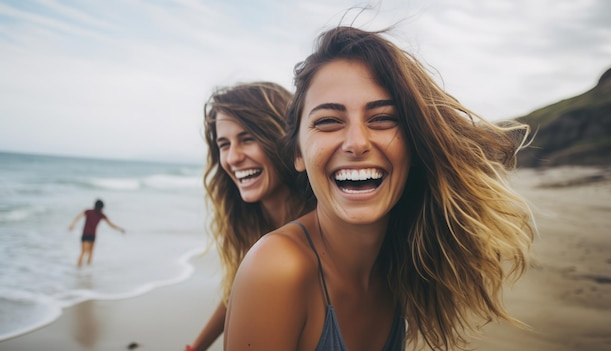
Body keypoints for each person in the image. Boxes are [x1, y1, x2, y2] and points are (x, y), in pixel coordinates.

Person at [223, 26, 536, 350]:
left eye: (383, 118)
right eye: (329, 121)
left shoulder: (401, 260)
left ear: (414, 143)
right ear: (298, 154)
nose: (357, 143)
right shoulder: (276, 268)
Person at [186, 82, 314, 351]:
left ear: (282, 137)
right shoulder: (255, 224)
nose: (233, 158)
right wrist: (195, 348)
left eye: (247, 139)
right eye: (224, 144)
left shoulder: (321, 231)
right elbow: (237, 292)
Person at [68, 199, 125, 268]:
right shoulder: (100, 215)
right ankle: (86, 269)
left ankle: (79, 269)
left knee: (84, 252)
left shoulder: (89, 211)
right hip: (92, 235)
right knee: (90, 253)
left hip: (85, 234)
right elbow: (111, 225)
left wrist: (72, 224)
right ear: (102, 207)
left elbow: (78, 217)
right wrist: (120, 229)